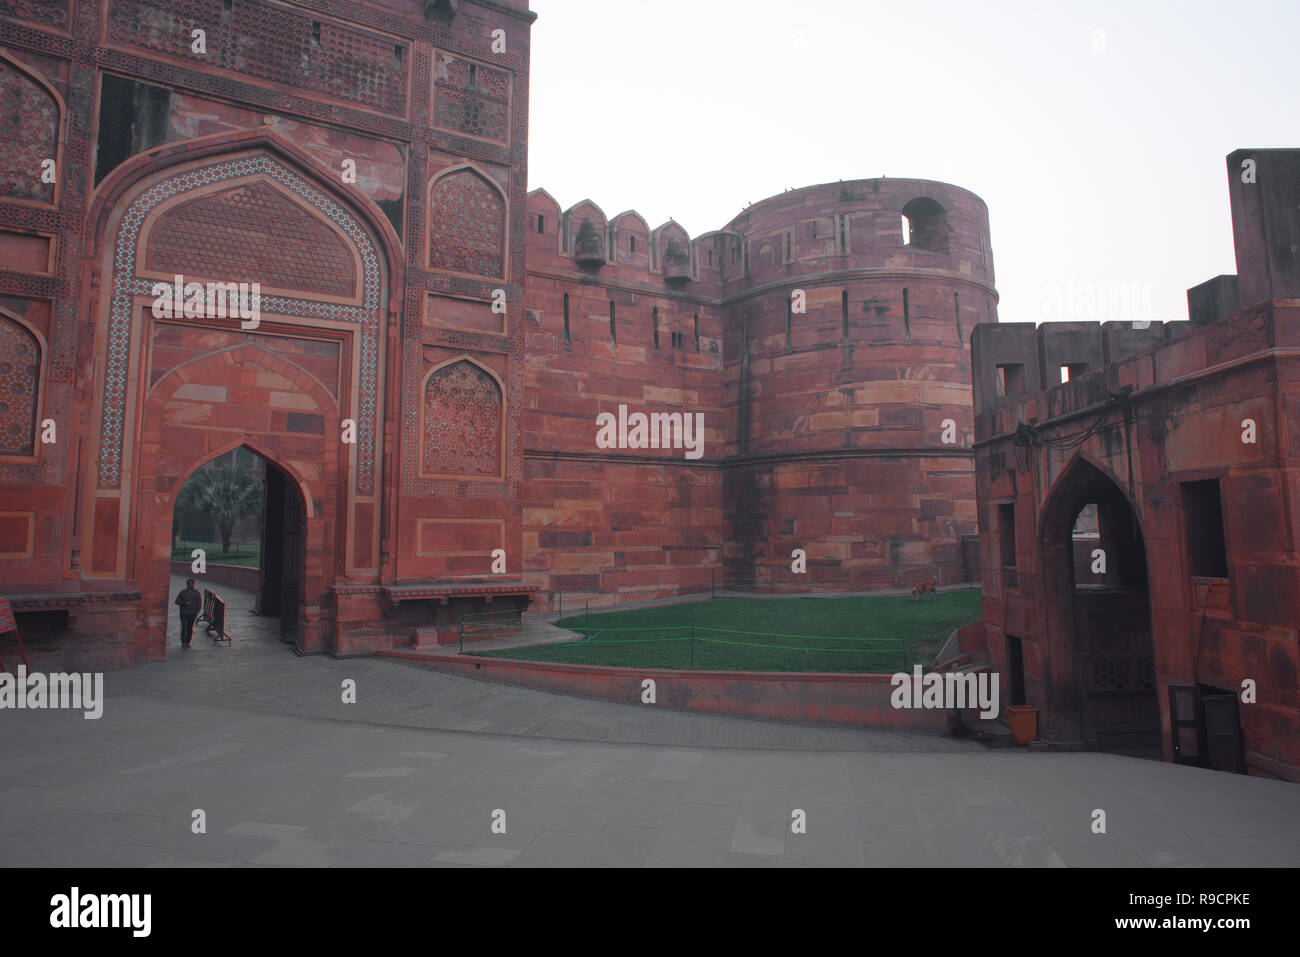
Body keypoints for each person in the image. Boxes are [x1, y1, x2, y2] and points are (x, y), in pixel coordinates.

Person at [175, 579, 202, 648]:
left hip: (192, 613)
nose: (191, 585)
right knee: (184, 627)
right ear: (187, 585)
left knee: (190, 628)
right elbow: (177, 601)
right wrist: (184, 603)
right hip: (184, 612)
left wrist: (197, 612)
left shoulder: (197, 593)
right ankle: (183, 642)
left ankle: (188, 641)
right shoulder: (183, 593)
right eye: (190, 584)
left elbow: (199, 603)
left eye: (192, 584)